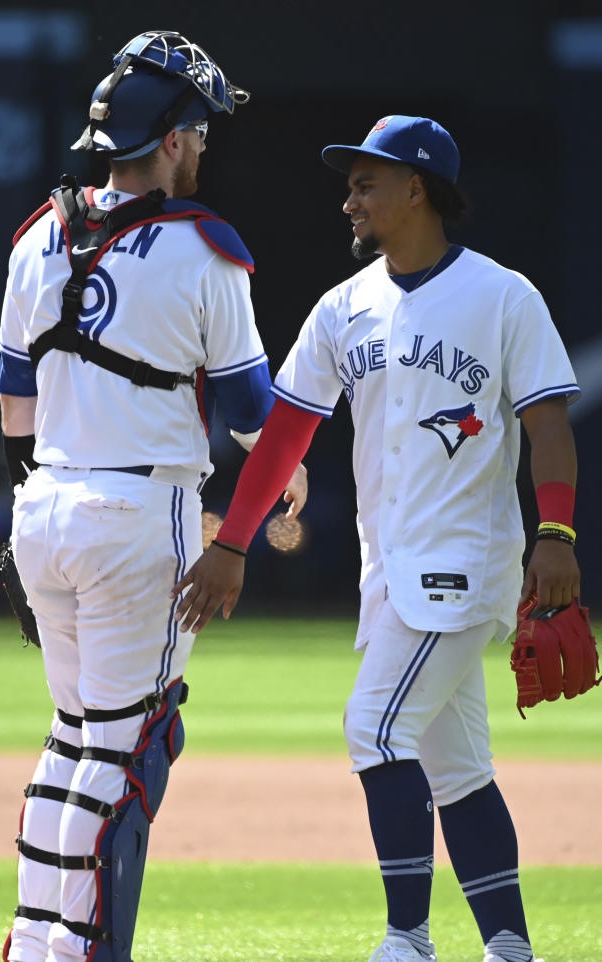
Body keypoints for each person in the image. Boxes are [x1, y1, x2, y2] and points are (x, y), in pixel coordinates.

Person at [173, 114, 582, 962]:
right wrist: (234, 542)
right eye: (350, 183)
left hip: (463, 564)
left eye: (367, 182)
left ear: (416, 188)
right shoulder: (343, 307)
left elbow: (547, 426)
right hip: (387, 573)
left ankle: (407, 941)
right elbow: (286, 433)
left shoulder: (504, 295)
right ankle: (509, 947)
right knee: (458, 771)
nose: (350, 199)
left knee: (375, 730)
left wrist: (557, 533)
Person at [0, 29, 306, 962]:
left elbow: (14, 406)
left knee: (71, 739)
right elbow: (252, 408)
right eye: (200, 128)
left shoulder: (36, 234)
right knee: (132, 746)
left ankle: (36, 942)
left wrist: (46, 496)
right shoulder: (205, 250)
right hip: (139, 514)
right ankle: (83, 950)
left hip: (42, 503)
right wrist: (286, 484)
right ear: (169, 136)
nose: (204, 146)